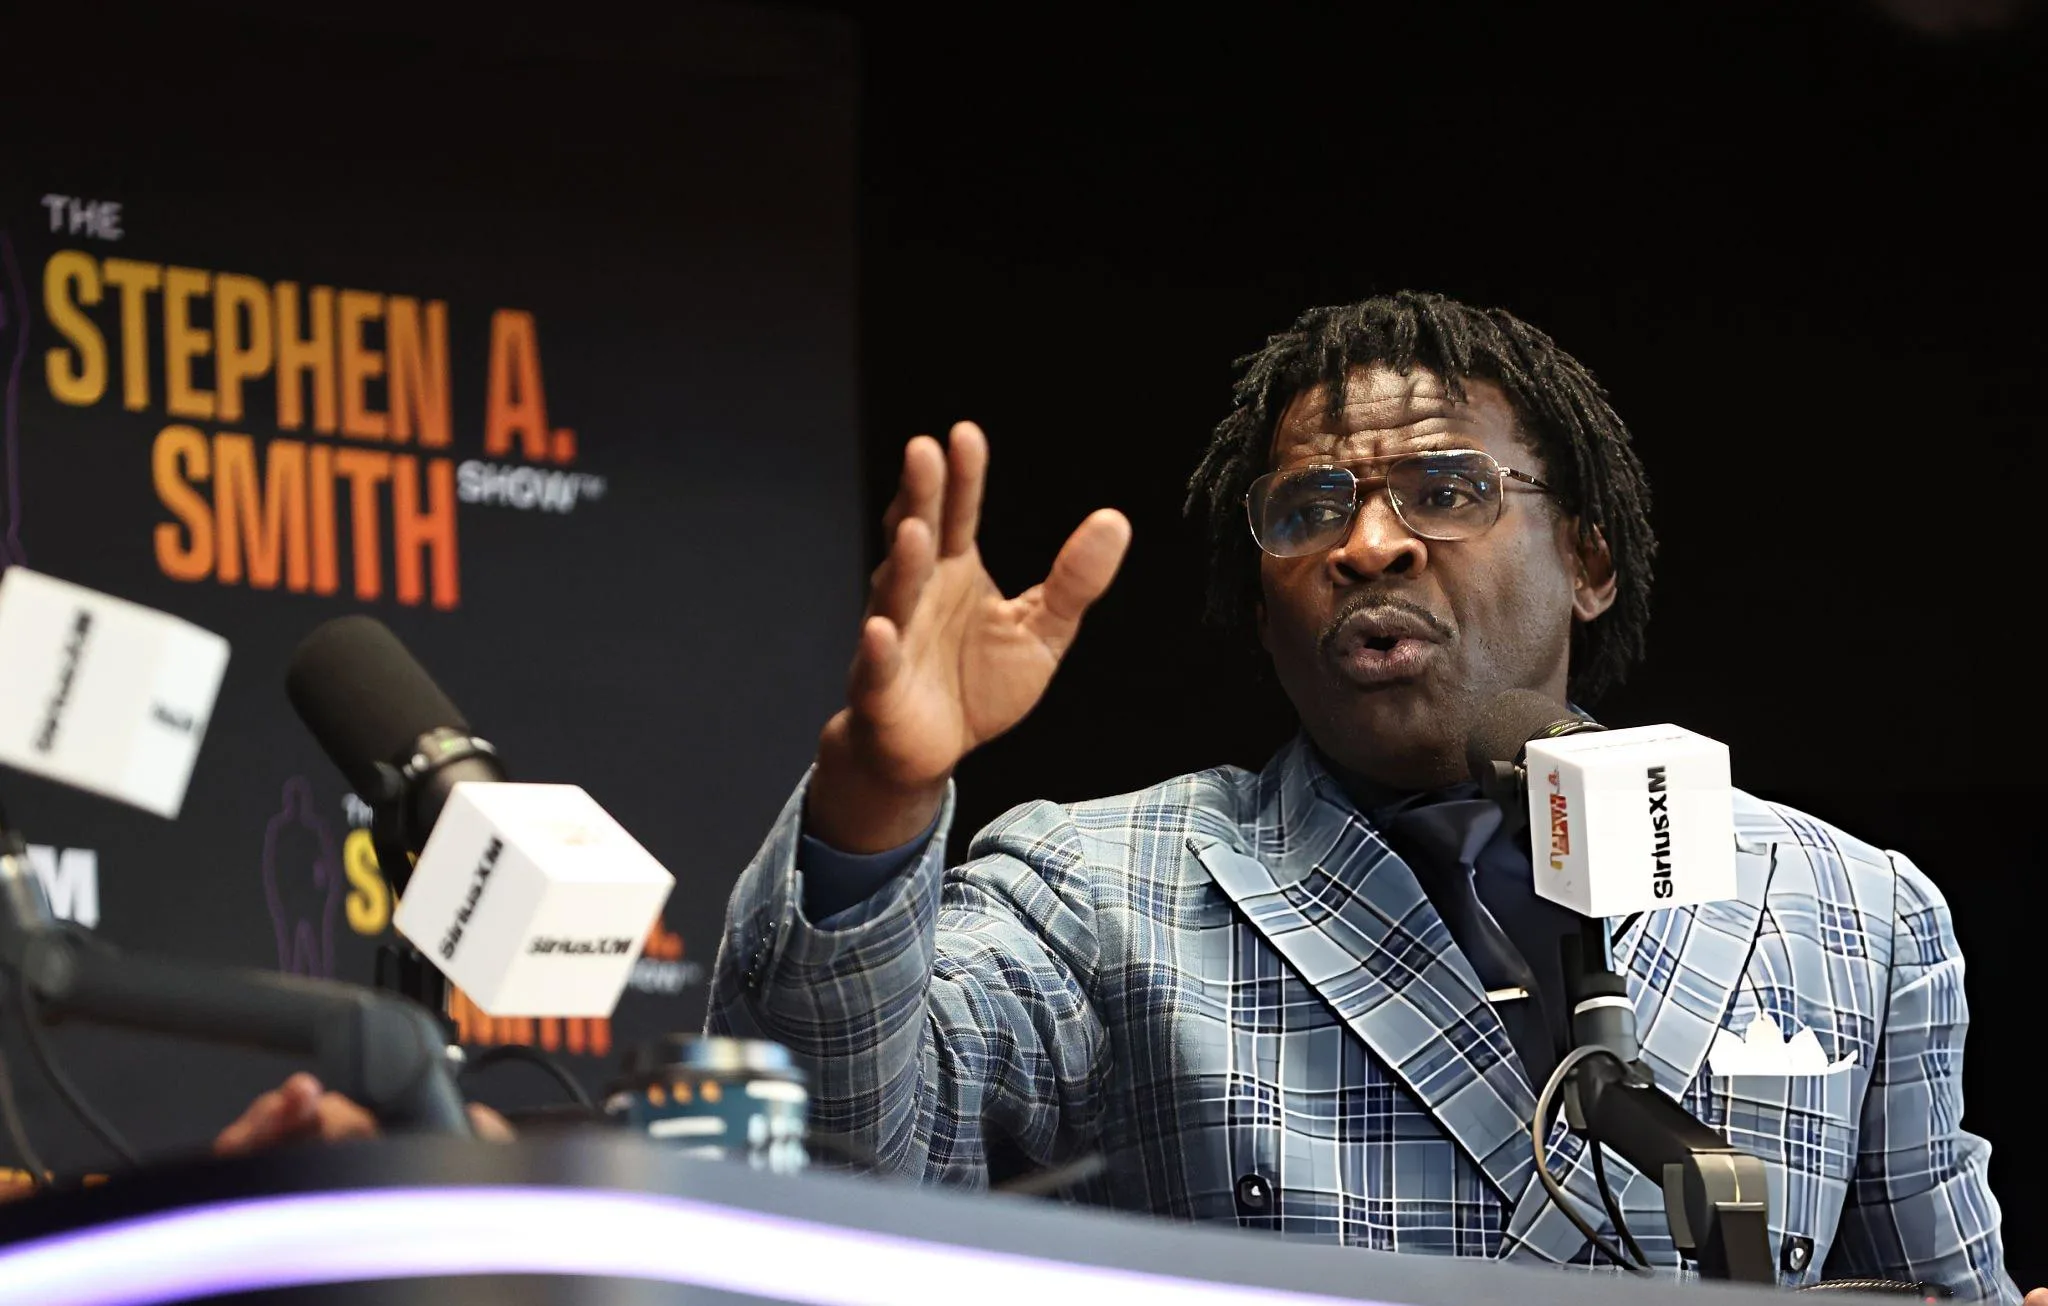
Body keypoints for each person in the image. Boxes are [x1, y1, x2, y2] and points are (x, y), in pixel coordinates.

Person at [702, 291, 2023, 1297]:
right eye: (1308, 508)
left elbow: (1937, 1286)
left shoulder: (1851, 903)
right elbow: (830, 1168)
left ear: (1589, 559)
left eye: (1445, 490)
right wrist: (876, 802)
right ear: (1262, 609)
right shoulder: (1099, 892)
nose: (1369, 540)